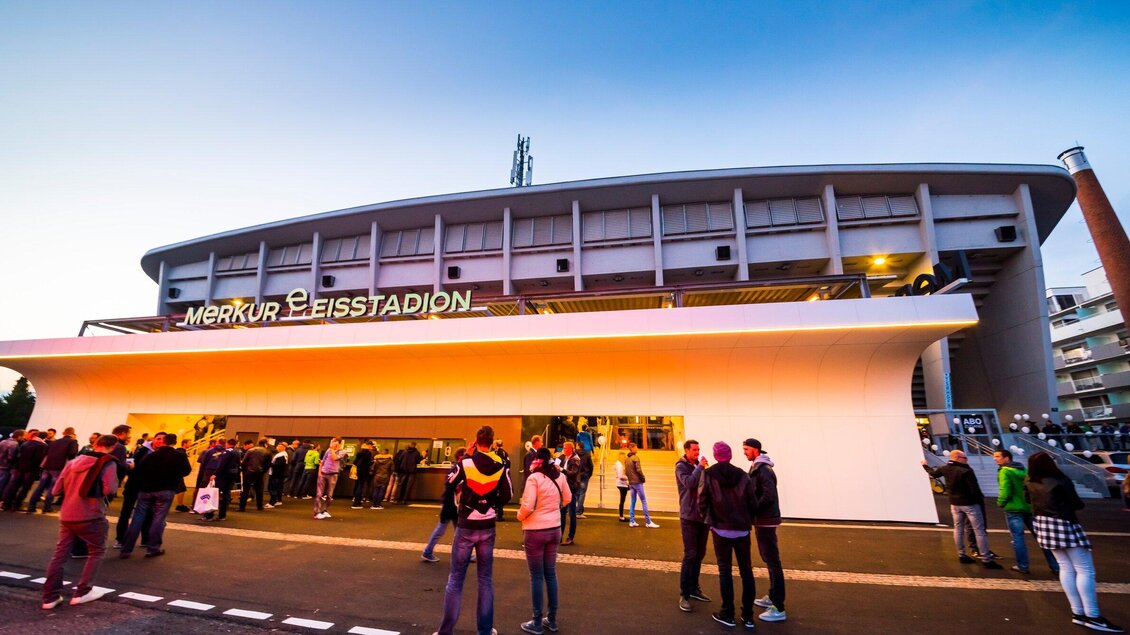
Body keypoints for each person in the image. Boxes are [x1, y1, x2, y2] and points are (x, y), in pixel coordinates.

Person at [1026, 451, 1123, 633]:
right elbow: (1076, 503)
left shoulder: (1029, 481)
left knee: (1065, 567)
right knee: (1085, 569)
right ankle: (1093, 615)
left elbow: (1028, 500)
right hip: (1064, 521)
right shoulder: (1060, 481)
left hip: (1043, 522)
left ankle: (1078, 612)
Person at [434, 425, 513, 635]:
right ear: (493, 441)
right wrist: (491, 502)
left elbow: (449, 480)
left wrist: (466, 457)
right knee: (485, 580)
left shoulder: (466, 463)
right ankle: (485, 631)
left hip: (466, 524)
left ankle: (445, 631)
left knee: (455, 580)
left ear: (476, 442)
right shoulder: (501, 463)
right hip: (487, 526)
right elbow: (507, 495)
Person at [41, 434, 120, 610]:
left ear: (95, 444)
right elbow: (110, 488)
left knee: (59, 555)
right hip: (91, 515)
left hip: (68, 514)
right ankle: (83, 591)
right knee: (96, 551)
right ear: (113, 447)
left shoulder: (72, 463)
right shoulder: (108, 462)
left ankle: (49, 597)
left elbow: (55, 490)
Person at [698, 441, 758, 629]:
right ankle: (748, 616)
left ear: (716, 456)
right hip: (741, 529)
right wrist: (748, 520)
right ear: (730, 455)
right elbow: (752, 501)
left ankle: (728, 613)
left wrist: (709, 521)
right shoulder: (742, 475)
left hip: (720, 529)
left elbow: (702, 500)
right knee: (746, 571)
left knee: (725, 571)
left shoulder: (708, 475)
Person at [516, 447, 571, 635]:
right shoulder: (560, 477)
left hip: (535, 531)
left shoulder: (534, 478)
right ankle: (552, 620)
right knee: (550, 574)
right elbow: (568, 498)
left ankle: (537, 621)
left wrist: (520, 516)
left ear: (537, 461)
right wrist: (554, 509)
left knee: (536, 577)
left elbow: (528, 505)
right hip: (555, 529)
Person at [921, 450, 1002, 569]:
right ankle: (986, 558)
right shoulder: (966, 471)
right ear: (958, 458)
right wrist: (979, 501)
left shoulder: (945, 468)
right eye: (965, 458)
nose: (966, 460)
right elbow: (974, 489)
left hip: (954, 503)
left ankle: (961, 554)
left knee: (958, 529)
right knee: (979, 531)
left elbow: (933, 474)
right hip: (970, 504)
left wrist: (924, 465)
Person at [119, 433, 191, 558]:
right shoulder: (179, 456)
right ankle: (153, 548)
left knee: (138, 517)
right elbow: (186, 471)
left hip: (146, 490)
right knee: (158, 519)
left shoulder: (151, 456)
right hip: (166, 490)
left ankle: (126, 548)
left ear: (163, 441)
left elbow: (138, 471)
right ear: (175, 442)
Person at [743, 438, 788, 622]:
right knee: (769, 559)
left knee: (772, 560)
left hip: (766, 519)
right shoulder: (758, 467)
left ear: (755, 449)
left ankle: (779, 607)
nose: (744, 452)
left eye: (746, 449)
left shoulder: (763, 470)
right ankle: (772, 597)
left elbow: (768, 495)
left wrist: (754, 508)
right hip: (764, 519)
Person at [993, 449, 1058, 575]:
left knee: (1018, 538)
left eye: (997, 456)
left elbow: (1005, 490)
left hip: (1013, 508)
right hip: (1028, 507)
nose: (995, 459)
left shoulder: (1005, 471)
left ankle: (1023, 565)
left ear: (1007, 458)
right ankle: (1055, 565)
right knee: (1041, 537)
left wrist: (1000, 502)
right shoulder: (1023, 470)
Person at [676, 439, 711, 613]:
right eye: (695, 450)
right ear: (687, 450)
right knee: (690, 554)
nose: (697, 452)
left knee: (700, 554)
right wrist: (700, 468)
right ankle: (684, 594)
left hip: (702, 516)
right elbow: (689, 483)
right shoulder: (681, 466)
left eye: (698, 449)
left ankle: (694, 588)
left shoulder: (698, 466)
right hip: (689, 516)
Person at [423, 447, 468, 562]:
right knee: (443, 530)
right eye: (466, 455)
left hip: (452, 504)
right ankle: (427, 552)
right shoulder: (456, 469)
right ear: (461, 457)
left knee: (458, 530)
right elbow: (450, 486)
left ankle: (463, 554)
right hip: (451, 504)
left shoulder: (458, 468)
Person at [27, 427, 79, 514]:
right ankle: (47, 507)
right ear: (72, 434)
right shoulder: (73, 442)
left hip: (47, 466)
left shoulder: (54, 442)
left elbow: (46, 453)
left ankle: (31, 506)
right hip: (59, 467)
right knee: (53, 487)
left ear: (63, 432)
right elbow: (72, 454)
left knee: (41, 486)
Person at [3, 430, 48, 511]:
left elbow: (18, 455)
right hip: (31, 469)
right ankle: (17, 505)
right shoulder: (43, 446)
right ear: (45, 437)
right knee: (25, 488)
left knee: (14, 486)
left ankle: (6, 504)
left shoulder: (26, 443)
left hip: (19, 467)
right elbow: (39, 459)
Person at [624, 442, 659, 528]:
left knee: (633, 501)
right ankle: (648, 521)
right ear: (632, 448)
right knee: (643, 501)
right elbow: (639, 470)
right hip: (637, 482)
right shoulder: (635, 458)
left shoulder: (627, 459)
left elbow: (626, 472)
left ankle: (632, 521)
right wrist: (643, 478)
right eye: (636, 447)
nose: (637, 448)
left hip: (631, 483)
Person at [314, 437, 347, 519]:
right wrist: (319, 473)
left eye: (333, 442)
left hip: (333, 474)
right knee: (319, 494)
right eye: (331, 442)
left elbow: (335, 458)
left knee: (329, 495)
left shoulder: (343, 452)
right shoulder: (328, 450)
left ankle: (324, 510)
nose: (331, 443)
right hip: (323, 473)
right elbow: (323, 461)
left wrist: (332, 449)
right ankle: (316, 512)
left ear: (338, 443)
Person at [238, 439, 270, 512]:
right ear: (265, 444)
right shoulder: (267, 452)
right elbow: (268, 464)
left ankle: (242, 507)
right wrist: (263, 471)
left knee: (245, 490)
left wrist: (243, 470)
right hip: (259, 473)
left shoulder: (250, 450)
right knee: (259, 490)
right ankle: (260, 506)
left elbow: (244, 462)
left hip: (248, 473)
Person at [558, 442, 581, 545]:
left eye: (565, 448)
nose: (563, 449)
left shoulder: (575, 459)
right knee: (562, 513)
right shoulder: (566, 458)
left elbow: (573, 473)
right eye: (563, 447)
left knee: (572, 514)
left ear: (570, 449)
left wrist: (562, 469)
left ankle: (570, 537)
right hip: (565, 488)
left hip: (571, 489)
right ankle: (560, 536)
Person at [0, 430, 25, 499]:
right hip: (6, 466)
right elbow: (11, 457)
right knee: (2, 484)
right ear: (19, 436)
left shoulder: (3, 441)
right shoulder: (14, 444)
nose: (24, 438)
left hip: (0, 464)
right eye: (23, 436)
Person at [351, 441, 375, 509]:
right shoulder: (368, 453)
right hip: (364, 471)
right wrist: (372, 462)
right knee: (360, 486)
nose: (372, 447)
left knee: (358, 485)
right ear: (368, 445)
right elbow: (367, 463)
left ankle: (356, 500)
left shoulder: (360, 452)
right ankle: (356, 503)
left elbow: (355, 462)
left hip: (358, 470)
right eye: (371, 445)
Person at [573, 443, 594, 518]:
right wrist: (589, 474)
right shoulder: (587, 454)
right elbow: (591, 465)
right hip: (585, 475)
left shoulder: (574, 454)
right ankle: (579, 512)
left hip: (576, 475)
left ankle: (575, 510)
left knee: (576, 493)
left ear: (578, 446)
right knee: (582, 493)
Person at [267, 443, 289, 507]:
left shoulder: (282, 455)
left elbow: (277, 465)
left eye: (279, 447)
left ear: (283, 448)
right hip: (278, 474)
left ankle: (272, 502)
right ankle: (277, 500)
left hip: (276, 474)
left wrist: (269, 464)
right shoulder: (282, 455)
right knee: (277, 488)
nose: (277, 448)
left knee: (273, 488)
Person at [614, 450, 630, 522]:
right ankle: (621, 516)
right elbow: (621, 476)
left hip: (621, 483)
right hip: (622, 484)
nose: (624, 458)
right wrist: (628, 479)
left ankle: (621, 516)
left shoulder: (618, 464)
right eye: (624, 457)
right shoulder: (620, 465)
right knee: (622, 500)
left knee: (622, 500)